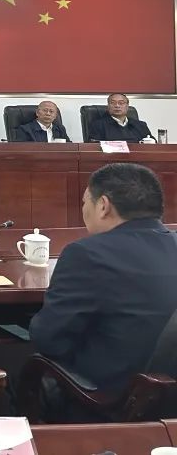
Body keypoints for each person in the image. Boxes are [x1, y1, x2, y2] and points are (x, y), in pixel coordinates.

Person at [28, 163, 177, 408]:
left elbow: (49, 340)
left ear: (103, 206)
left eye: (85, 202)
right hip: (166, 402)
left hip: (111, 401)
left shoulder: (86, 254)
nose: (83, 209)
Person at [87, 93, 155, 143]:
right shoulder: (98, 125)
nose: (117, 106)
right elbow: (94, 147)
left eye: (121, 103)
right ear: (108, 106)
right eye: (113, 103)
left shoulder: (140, 125)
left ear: (127, 106)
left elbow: (153, 143)